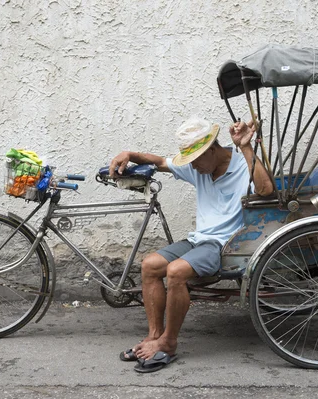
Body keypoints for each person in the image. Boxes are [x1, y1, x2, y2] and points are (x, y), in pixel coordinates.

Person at [109, 116, 274, 373]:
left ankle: (168, 343)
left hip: (224, 244)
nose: (193, 167)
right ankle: (154, 336)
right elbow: (161, 161)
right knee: (150, 265)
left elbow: (266, 190)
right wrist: (129, 153)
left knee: (176, 272)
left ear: (211, 150)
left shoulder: (243, 163)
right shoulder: (198, 166)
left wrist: (246, 146)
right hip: (198, 240)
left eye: (196, 160)